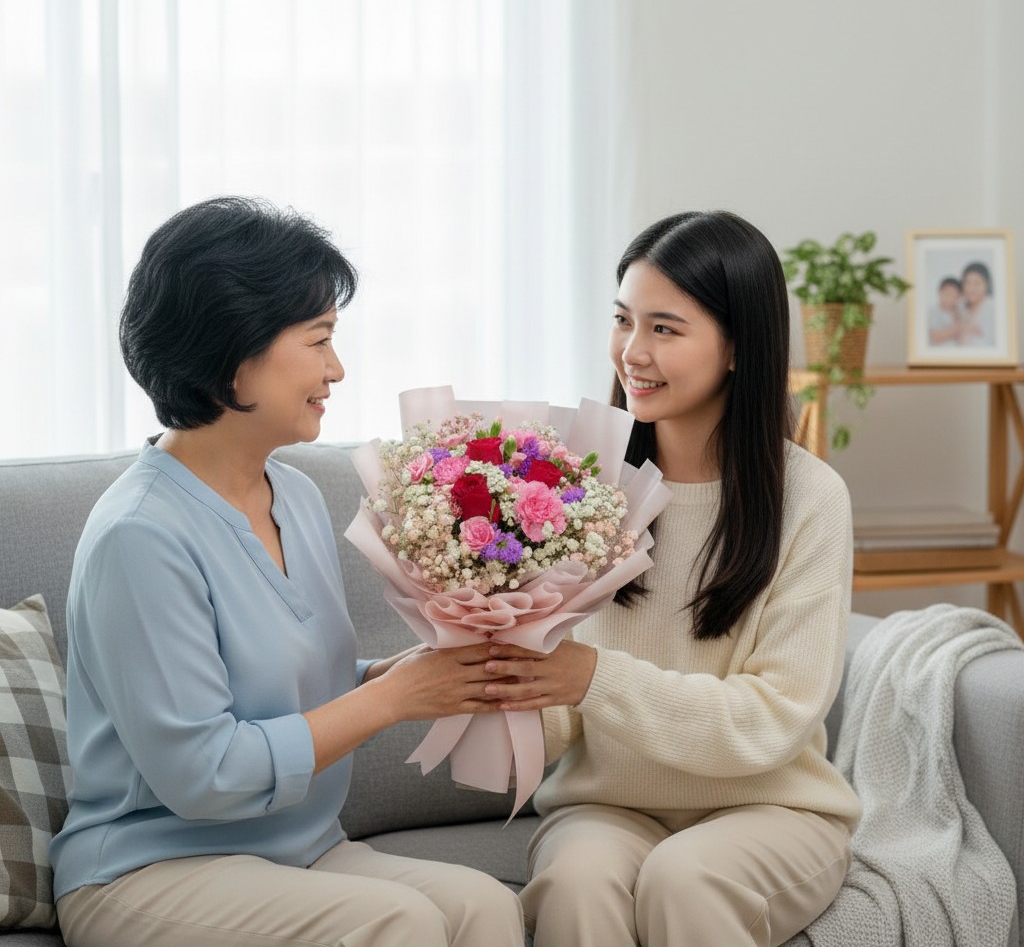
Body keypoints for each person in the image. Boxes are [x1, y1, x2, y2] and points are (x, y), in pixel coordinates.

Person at [49, 196, 524, 947]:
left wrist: (396, 675)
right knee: (399, 921)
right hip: (151, 866)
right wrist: (395, 701)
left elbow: (282, 687)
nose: (336, 369)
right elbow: (204, 774)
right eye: (319, 340)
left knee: (486, 907)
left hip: (295, 848)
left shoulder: (295, 495)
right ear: (233, 347)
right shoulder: (139, 536)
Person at [485, 210, 860, 947]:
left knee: (685, 877)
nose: (632, 352)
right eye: (623, 320)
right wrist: (495, 664)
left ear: (735, 348)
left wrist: (591, 677)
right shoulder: (580, 486)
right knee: (576, 881)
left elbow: (770, 723)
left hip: (771, 810)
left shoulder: (810, 499)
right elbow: (562, 717)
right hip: (608, 806)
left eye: (665, 328)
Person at [957, 260, 996, 346]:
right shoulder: (960, 307)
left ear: (987, 284)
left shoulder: (993, 308)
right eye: (967, 282)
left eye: (977, 283)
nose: (971, 288)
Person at [928, 275, 963, 345]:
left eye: (951, 295)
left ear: (958, 298)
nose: (946, 298)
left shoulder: (957, 312)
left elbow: (960, 337)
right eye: (945, 293)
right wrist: (958, 328)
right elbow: (934, 337)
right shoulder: (933, 312)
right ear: (939, 292)